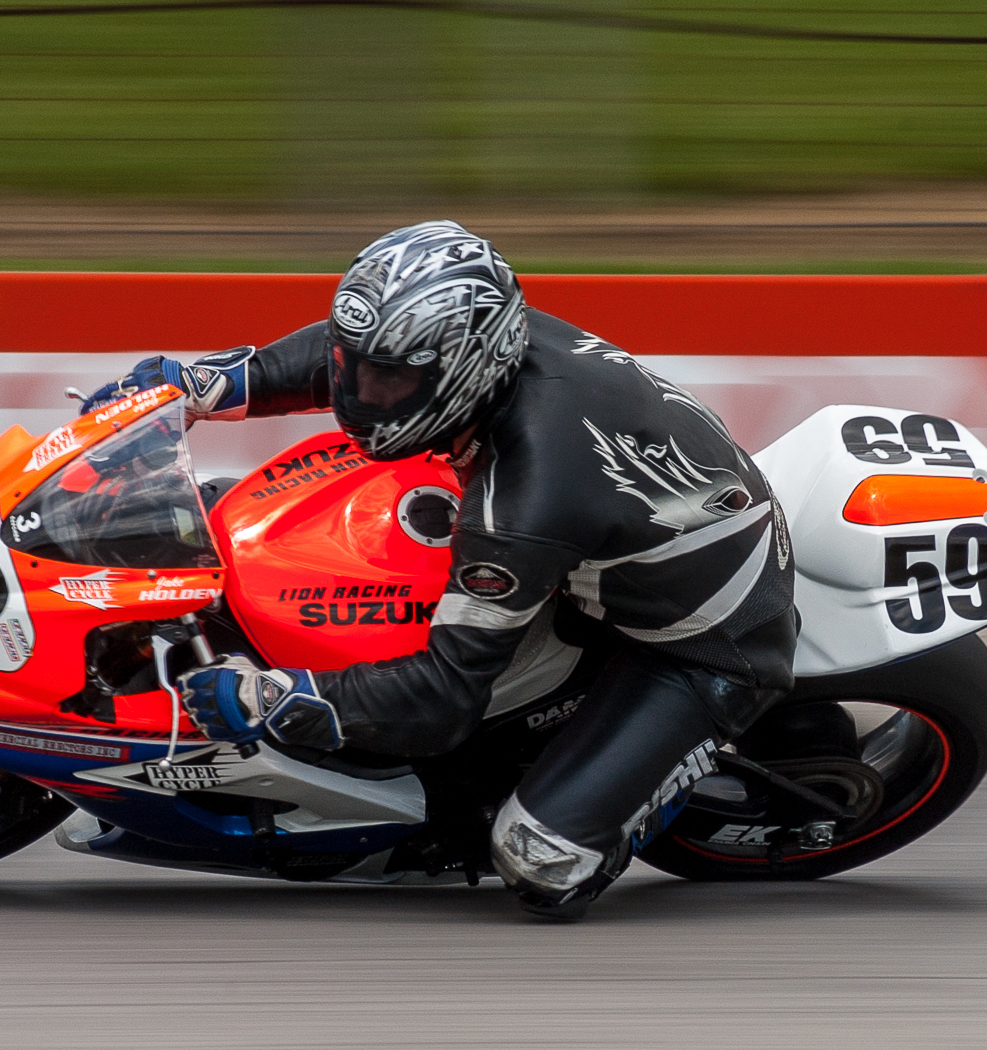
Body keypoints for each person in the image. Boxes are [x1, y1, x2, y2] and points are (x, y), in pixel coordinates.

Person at [80, 221, 797, 919]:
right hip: (615, 545)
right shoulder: (487, 343)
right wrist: (200, 384)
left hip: (706, 643)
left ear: (463, 372)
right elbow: (338, 354)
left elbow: (442, 701)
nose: (359, 394)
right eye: (357, 367)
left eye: (388, 379)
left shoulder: (524, 500)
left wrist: (272, 698)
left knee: (539, 861)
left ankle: (622, 785)